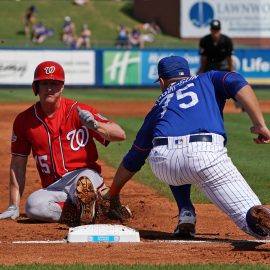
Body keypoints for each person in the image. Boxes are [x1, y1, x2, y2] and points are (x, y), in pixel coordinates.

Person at [104, 55, 270, 240]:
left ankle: (186, 212)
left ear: (161, 80)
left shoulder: (160, 104)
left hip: (164, 162)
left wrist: (113, 193)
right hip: (204, 156)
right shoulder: (207, 78)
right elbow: (235, 80)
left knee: (176, 158)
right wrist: (259, 123)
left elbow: (134, 157)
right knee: (255, 219)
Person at [0, 61, 126, 225]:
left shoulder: (78, 111)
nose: (49, 88)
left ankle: (90, 201)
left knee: (84, 184)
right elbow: (17, 165)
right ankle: (90, 208)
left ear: (62, 87)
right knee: (33, 206)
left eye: (54, 83)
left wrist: (96, 125)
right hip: (54, 187)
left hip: (84, 175)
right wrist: (13, 204)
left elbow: (120, 134)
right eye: (44, 83)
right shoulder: (24, 121)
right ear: (36, 87)